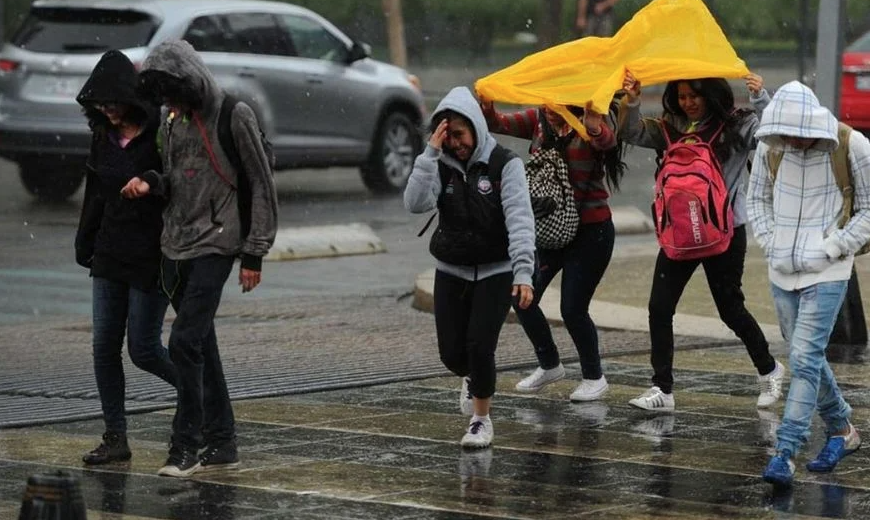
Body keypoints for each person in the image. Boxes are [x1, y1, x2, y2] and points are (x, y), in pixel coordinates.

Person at [120, 40, 278, 478]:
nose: (169, 103)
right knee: (202, 344)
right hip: (176, 245)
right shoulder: (172, 120)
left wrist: (255, 253)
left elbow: (261, 184)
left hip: (219, 243)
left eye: (172, 93)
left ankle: (184, 446)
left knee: (185, 342)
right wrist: (152, 182)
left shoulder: (234, 114)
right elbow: (177, 175)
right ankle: (223, 442)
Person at [619, 71, 785, 411]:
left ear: (711, 94)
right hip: (680, 232)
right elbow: (631, 132)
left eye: (694, 96)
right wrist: (632, 101)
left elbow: (771, 139)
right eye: (681, 97)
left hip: (724, 233)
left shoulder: (737, 125)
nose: (688, 103)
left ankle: (769, 369)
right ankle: (662, 389)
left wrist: (761, 100)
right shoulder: (671, 127)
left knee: (730, 309)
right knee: (659, 307)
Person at [748, 80, 870, 487]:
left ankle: (785, 451)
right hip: (782, 269)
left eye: (797, 134)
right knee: (807, 358)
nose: (792, 142)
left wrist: (833, 247)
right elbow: (756, 201)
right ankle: (843, 431)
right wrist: (772, 244)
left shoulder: (851, 146)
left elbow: (869, 209)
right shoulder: (769, 147)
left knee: (803, 358)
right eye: (785, 134)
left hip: (828, 270)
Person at [404, 86, 536, 449]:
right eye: (450, 137)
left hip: (497, 270)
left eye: (461, 135)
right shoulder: (439, 163)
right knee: (452, 354)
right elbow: (414, 203)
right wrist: (430, 153)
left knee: (480, 346)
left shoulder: (504, 164)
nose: (457, 144)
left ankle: (481, 420)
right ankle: (470, 377)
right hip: (451, 268)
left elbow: (521, 220)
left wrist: (524, 272)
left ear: (477, 128)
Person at [479, 98, 625, 401]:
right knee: (521, 296)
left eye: (556, 101)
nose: (548, 106)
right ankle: (549, 363)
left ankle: (594, 377)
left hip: (591, 232)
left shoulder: (588, 121)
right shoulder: (538, 121)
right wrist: (487, 107)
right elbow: (499, 124)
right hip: (549, 229)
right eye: (545, 99)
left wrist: (595, 129)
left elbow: (607, 143)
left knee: (572, 308)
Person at [74, 50, 177, 465]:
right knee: (104, 347)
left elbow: (179, 183)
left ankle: (199, 395)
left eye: (113, 104)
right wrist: (86, 244)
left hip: (151, 253)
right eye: (101, 107)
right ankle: (115, 436)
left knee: (144, 348)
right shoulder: (102, 136)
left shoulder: (160, 131)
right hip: (110, 252)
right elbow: (94, 194)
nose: (108, 113)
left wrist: (150, 183)